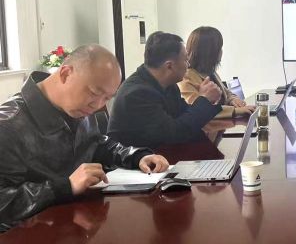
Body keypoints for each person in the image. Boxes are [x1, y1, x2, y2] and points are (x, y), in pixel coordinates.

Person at [0, 45, 169, 231]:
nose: (97, 105)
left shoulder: (77, 107)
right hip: (26, 239)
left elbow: (95, 144)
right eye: (94, 93)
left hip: (72, 226)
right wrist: (65, 187)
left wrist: (136, 157)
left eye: (107, 98)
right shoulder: (8, 124)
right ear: (65, 74)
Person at [108, 31, 223, 148]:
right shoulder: (137, 94)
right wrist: (204, 100)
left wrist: (206, 99)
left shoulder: (167, 84)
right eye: (185, 60)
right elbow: (175, 133)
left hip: (161, 152)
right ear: (169, 66)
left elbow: (184, 114)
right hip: (138, 157)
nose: (188, 65)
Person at [178, 26, 254, 119]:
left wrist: (233, 100)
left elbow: (227, 93)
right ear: (209, 52)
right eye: (219, 48)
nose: (221, 52)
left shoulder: (210, 72)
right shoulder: (186, 77)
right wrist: (234, 111)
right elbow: (198, 110)